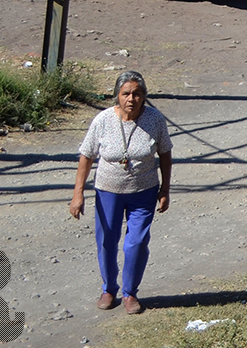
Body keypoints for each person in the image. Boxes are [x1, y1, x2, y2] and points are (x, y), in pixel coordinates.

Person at [70, 70, 173, 315]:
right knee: (106, 241)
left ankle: (130, 293)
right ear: (117, 96)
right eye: (126, 93)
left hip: (143, 191)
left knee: (136, 243)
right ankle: (109, 289)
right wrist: (78, 193)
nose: (131, 99)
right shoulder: (103, 120)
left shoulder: (155, 120)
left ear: (144, 97)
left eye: (137, 94)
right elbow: (86, 155)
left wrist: (165, 188)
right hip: (108, 192)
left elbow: (165, 154)